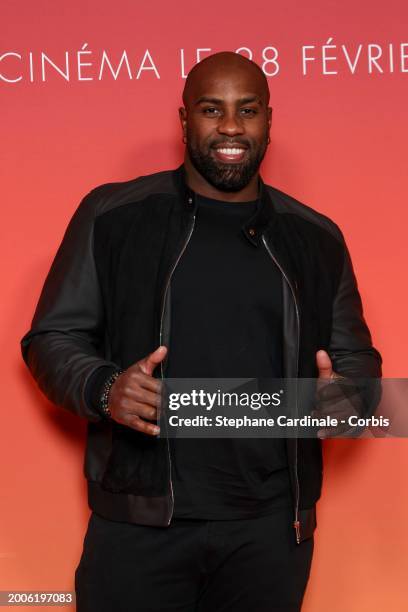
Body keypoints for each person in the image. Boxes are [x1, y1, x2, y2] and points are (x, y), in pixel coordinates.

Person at [20, 51, 382, 611]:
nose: (232, 127)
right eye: (213, 110)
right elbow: (52, 338)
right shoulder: (113, 215)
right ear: (185, 119)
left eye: (248, 110)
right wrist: (104, 387)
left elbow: (357, 359)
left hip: (270, 532)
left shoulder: (317, 237)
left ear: (269, 119)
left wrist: (349, 400)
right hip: (140, 524)